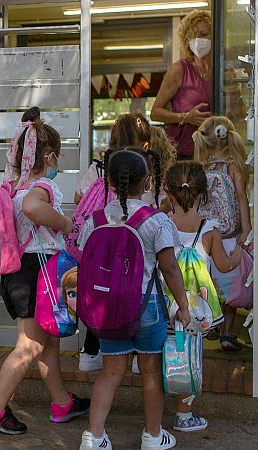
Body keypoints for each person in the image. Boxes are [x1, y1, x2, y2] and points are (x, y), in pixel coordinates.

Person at [0, 107, 89, 435]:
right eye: (60, 157)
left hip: (17, 273)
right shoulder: (41, 189)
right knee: (28, 346)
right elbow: (33, 209)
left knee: (46, 342)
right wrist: (66, 224)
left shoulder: (11, 188)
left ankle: (61, 403)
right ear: (50, 156)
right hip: (38, 271)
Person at [78, 149, 191, 450]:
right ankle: (153, 436)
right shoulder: (156, 221)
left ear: (111, 184)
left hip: (108, 307)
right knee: (151, 371)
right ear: (149, 182)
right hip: (147, 305)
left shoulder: (96, 220)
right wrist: (183, 303)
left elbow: (84, 260)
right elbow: (169, 267)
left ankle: (93, 436)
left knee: (110, 371)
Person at [74, 113, 167, 373]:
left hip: (103, 243)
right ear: (146, 143)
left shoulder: (100, 167)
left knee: (101, 288)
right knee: (137, 288)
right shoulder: (145, 167)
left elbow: (78, 195)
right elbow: (157, 203)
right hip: (137, 244)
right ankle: (140, 355)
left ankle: (91, 351)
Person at [164, 161, 243, 432]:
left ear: (168, 192)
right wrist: (237, 254)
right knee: (190, 356)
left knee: (159, 352)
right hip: (195, 308)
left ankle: (155, 401)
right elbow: (223, 265)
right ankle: (184, 415)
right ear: (204, 195)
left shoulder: (161, 222)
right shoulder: (209, 230)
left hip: (164, 303)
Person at [193, 117, 251, 352]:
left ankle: (211, 322)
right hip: (229, 235)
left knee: (208, 282)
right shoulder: (233, 167)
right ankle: (227, 331)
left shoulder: (201, 169)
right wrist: (246, 231)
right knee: (232, 286)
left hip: (206, 235)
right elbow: (241, 199)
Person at [152, 9, 212, 159]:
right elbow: (155, 112)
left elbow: (238, 109)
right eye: (193, 36)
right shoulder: (179, 70)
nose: (199, 40)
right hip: (183, 154)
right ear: (187, 41)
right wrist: (185, 117)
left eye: (204, 34)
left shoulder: (223, 71)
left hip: (215, 152)